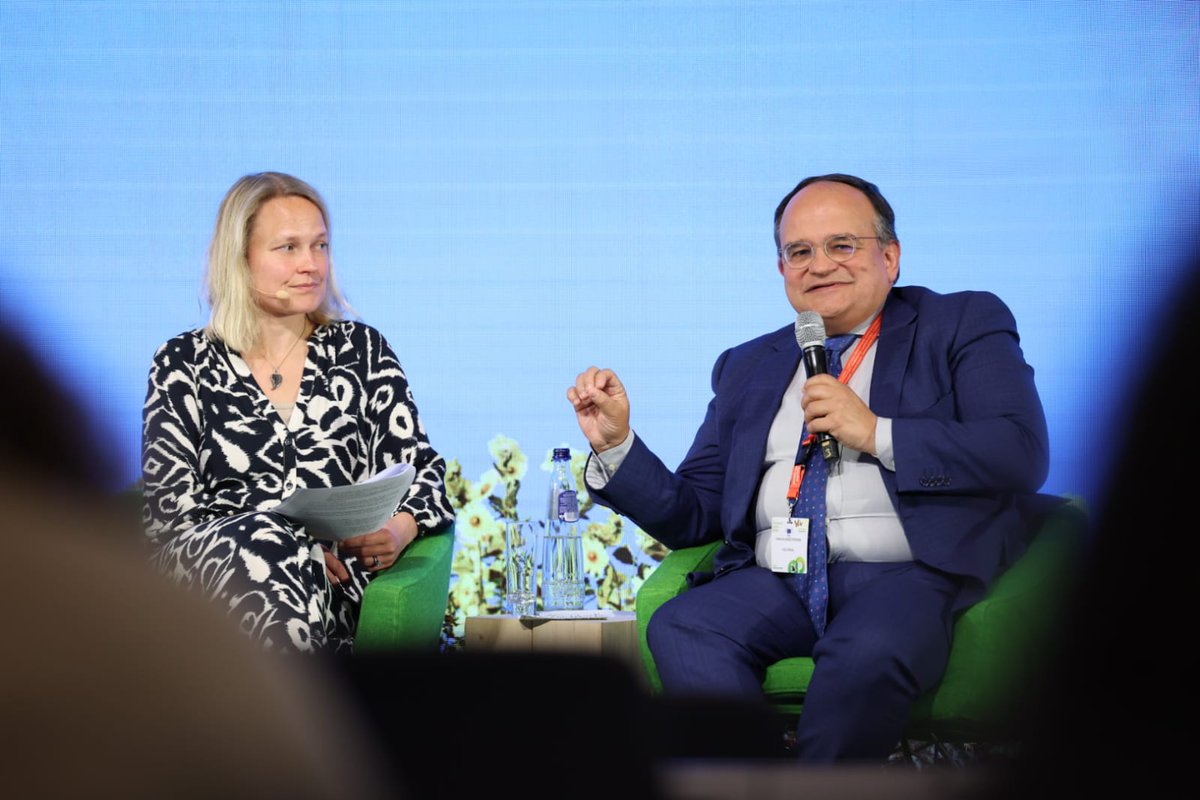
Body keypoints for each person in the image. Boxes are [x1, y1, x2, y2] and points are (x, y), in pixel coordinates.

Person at [567, 173, 1052, 763]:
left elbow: (1019, 450)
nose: (819, 265)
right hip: (782, 574)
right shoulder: (748, 366)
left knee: (864, 650)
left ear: (890, 256)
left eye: (841, 246)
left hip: (906, 570)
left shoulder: (960, 324)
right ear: (782, 271)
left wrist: (875, 432)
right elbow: (693, 516)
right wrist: (617, 444)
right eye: (800, 251)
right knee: (684, 626)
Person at [142, 171, 454, 654]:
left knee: (290, 568)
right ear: (240, 259)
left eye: (321, 246)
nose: (311, 265)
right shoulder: (183, 362)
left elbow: (424, 471)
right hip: (208, 591)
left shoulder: (362, 351)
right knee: (271, 544)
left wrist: (399, 527)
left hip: (329, 588)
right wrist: (286, 540)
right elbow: (169, 521)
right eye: (288, 248)